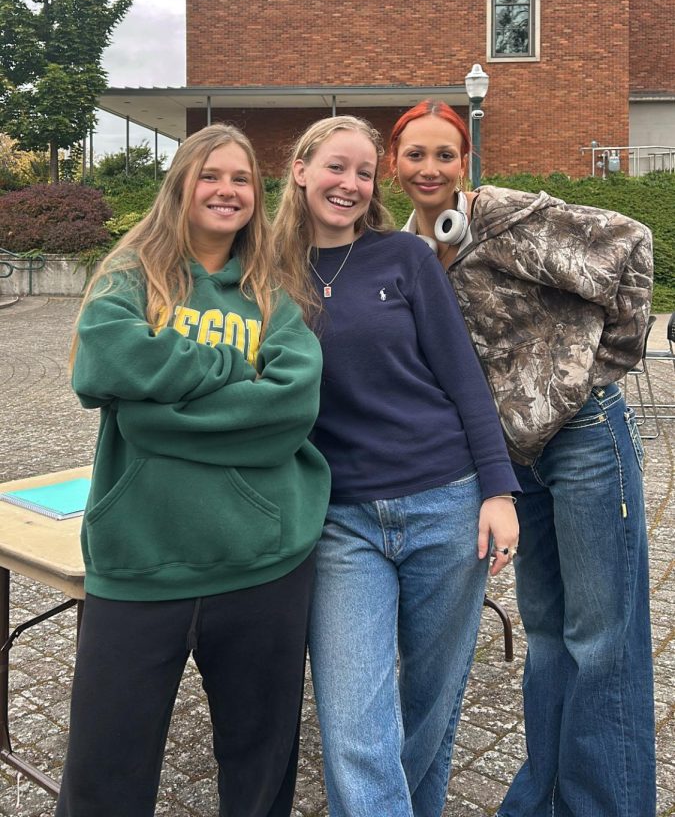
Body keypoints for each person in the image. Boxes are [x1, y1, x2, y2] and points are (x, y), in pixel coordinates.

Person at [389, 98, 656, 817]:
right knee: (546, 634)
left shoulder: (505, 217)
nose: (429, 167)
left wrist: (594, 370)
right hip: (515, 462)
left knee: (602, 638)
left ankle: (603, 804)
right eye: (414, 154)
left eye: (443, 153)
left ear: (463, 163)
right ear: (393, 163)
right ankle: (543, 800)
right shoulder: (409, 252)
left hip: (584, 438)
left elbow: (629, 242)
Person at [55, 123, 331, 817]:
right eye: (210, 175)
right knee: (103, 773)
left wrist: (156, 411)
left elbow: (290, 406)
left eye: (241, 178)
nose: (226, 190)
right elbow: (103, 366)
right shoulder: (128, 277)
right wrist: (234, 368)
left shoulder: (274, 293)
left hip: (262, 563)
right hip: (139, 564)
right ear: (180, 186)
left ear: (256, 196)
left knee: (259, 765)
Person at [273, 114, 519, 817]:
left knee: (429, 705)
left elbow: (461, 376)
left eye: (361, 172)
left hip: (445, 501)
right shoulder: (264, 269)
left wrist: (497, 489)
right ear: (299, 169)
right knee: (354, 725)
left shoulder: (404, 259)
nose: (348, 184)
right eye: (334, 167)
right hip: (340, 520)